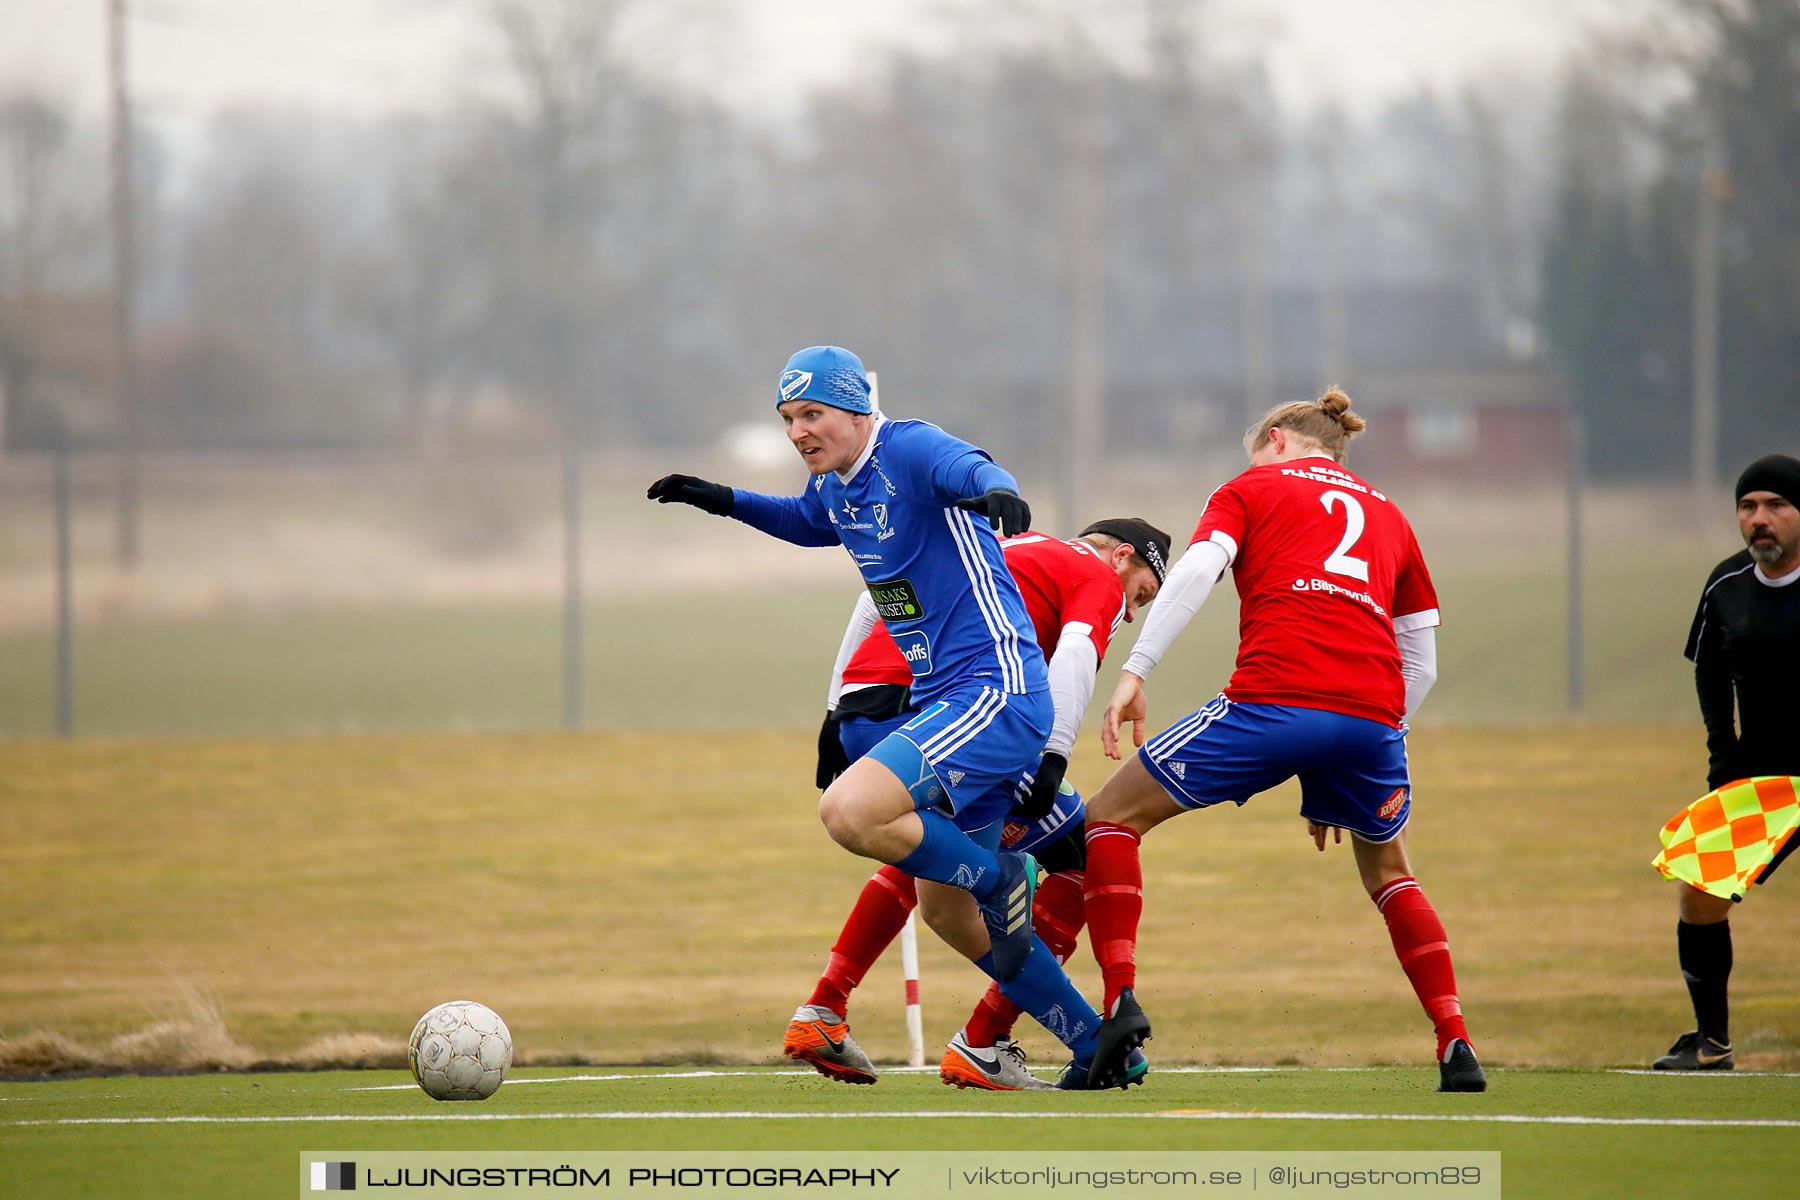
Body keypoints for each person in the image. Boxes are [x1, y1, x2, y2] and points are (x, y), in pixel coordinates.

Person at [648, 345, 1122, 1086]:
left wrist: (997, 489)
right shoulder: (838, 489)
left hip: (995, 691)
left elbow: (968, 466)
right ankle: (1099, 1045)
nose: (799, 431)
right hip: (949, 702)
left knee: (849, 812)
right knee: (945, 915)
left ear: (857, 409)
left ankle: (999, 877)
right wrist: (722, 498)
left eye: (813, 414)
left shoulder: (906, 446)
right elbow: (807, 521)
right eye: (787, 419)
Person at [1076, 387, 1487, 1093]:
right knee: (1390, 874)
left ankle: (1118, 1006)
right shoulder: (1391, 514)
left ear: (1276, 440)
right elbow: (1421, 659)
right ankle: (1456, 1044)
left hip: (1271, 702)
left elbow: (1199, 573)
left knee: (1109, 819)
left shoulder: (1251, 487)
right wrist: (1362, 746)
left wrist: (1135, 669)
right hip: (1373, 721)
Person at [786, 518, 1169, 1090]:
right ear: (1122, 558)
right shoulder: (1097, 577)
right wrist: (1054, 755)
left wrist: (835, 703)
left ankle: (826, 1010)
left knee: (941, 888)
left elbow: (874, 599)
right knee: (1082, 850)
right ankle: (996, 1036)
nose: (1132, 612)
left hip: (866, 707)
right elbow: (1073, 656)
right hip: (932, 711)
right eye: (1140, 594)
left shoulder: (1010, 544)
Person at [1654, 453, 1800, 1071]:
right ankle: (1711, 1042)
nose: (1759, 520)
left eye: (1775, 506)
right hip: (1766, 780)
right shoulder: (1726, 585)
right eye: (1748, 507)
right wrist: (1725, 765)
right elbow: (1711, 679)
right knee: (1699, 883)